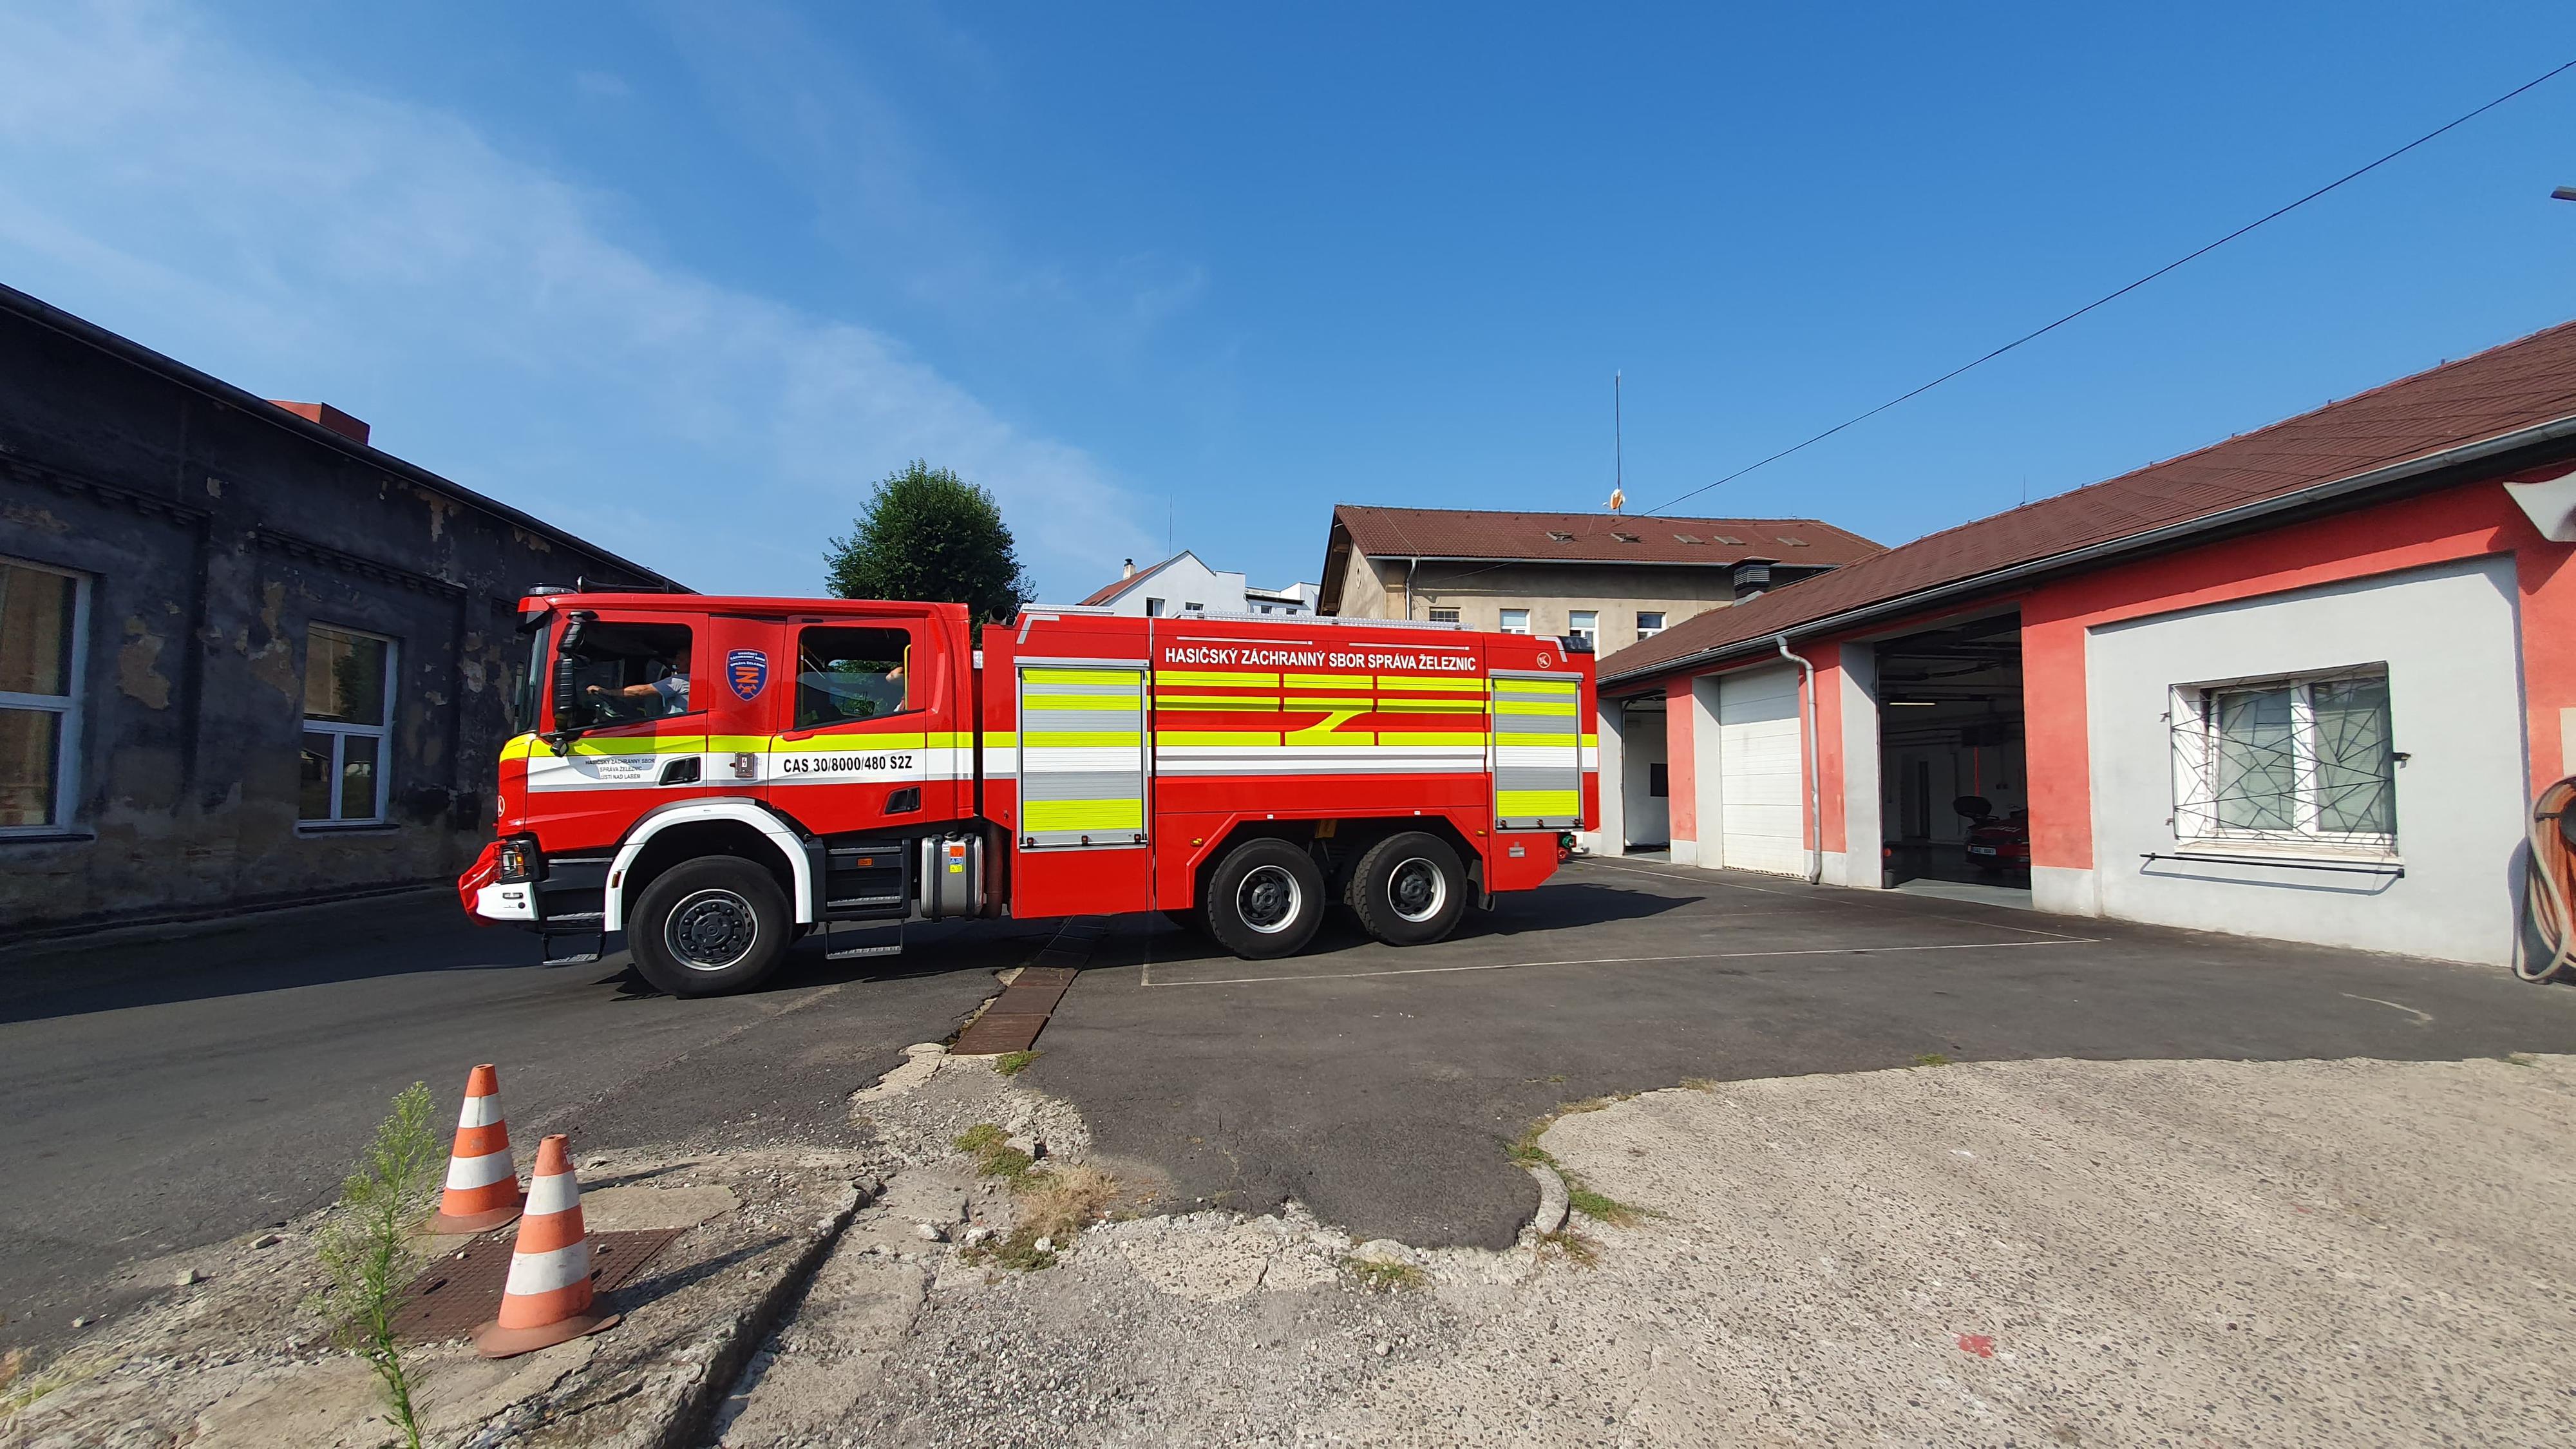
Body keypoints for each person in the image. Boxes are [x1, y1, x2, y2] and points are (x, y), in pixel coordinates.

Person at [584, 665, 688, 718]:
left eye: (681, 659)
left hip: (673, 727)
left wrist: (605, 692)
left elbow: (642, 691)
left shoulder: (681, 680)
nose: (676, 663)